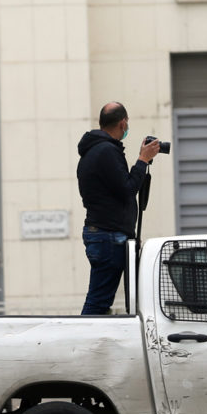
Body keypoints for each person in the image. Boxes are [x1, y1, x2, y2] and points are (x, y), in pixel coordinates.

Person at [76, 102, 160, 315]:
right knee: (98, 302)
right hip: (108, 236)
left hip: (103, 233)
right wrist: (143, 160)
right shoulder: (106, 152)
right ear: (123, 124)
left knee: (102, 300)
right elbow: (128, 189)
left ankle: (86, 340)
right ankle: (82, 342)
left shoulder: (91, 152)